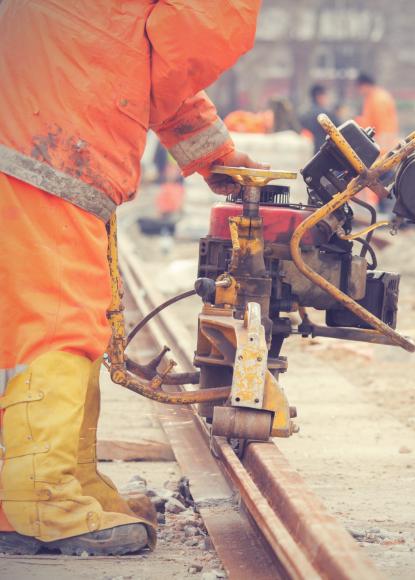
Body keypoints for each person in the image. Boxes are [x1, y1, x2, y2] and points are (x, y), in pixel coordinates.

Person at [0, 0, 264, 556]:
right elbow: (179, 56)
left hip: (33, 122)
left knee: (48, 319)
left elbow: (147, 61)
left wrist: (215, 154)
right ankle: (40, 498)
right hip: (46, 139)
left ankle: (61, 480)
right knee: (57, 323)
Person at [355, 72, 399, 153]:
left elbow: (384, 128)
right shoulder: (372, 97)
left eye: (359, 88)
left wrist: (381, 152)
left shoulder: (379, 99)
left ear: (365, 85)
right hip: (377, 143)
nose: (359, 91)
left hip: (382, 147)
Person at [300, 84, 339, 153]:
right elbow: (339, 130)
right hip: (326, 151)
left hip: (310, 152)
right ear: (319, 97)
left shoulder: (304, 115)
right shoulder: (326, 115)